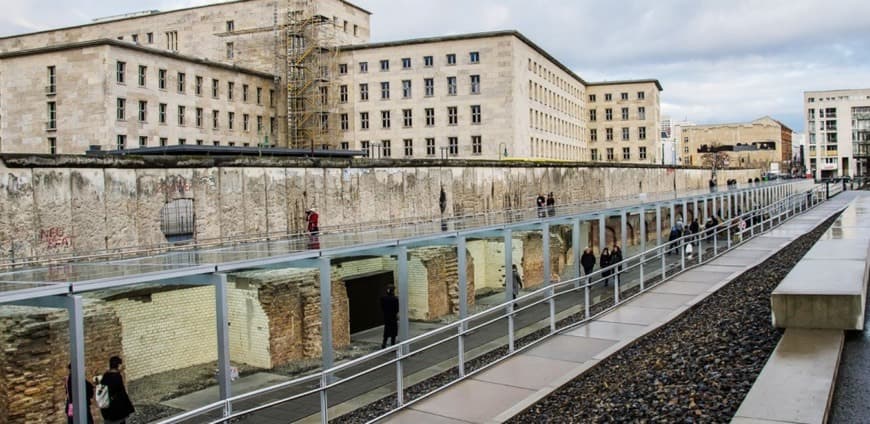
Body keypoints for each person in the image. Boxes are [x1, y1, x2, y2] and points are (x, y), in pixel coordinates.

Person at [98, 356, 134, 424]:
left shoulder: (105, 376)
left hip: (107, 411)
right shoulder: (116, 377)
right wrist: (129, 407)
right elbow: (122, 393)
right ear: (118, 365)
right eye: (121, 364)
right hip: (117, 411)